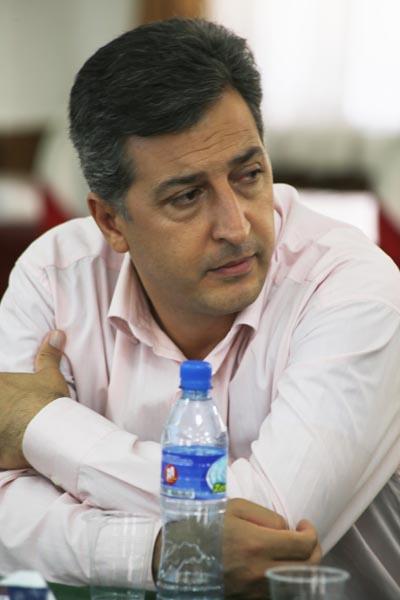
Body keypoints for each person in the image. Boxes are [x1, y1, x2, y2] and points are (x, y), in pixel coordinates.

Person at [0, 18, 399, 600]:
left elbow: (269, 530)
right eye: (187, 196)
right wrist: (159, 552)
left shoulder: (353, 287)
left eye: (249, 175)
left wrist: (38, 424)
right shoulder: (55, 277)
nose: (236, 227)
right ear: (111, 221)